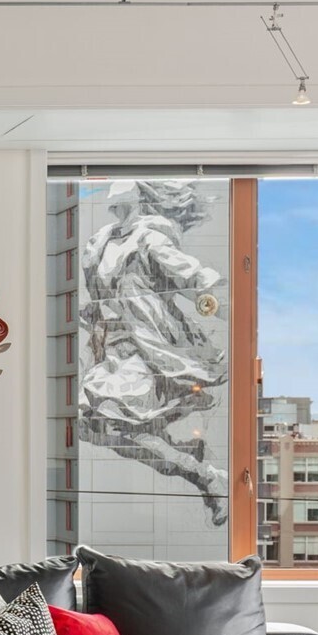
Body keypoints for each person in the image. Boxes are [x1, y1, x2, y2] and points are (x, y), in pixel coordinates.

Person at [77, 180, 231, 525]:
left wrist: (233, 312)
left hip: (143, 352)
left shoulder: (150, 237)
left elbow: (194, 279)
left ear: (139, 195)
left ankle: (205, 475)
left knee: (112, 420)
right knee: (92, 426)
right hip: (112, 350)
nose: (114, 188)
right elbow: (106, 298)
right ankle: (200, 470)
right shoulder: (101, 242)